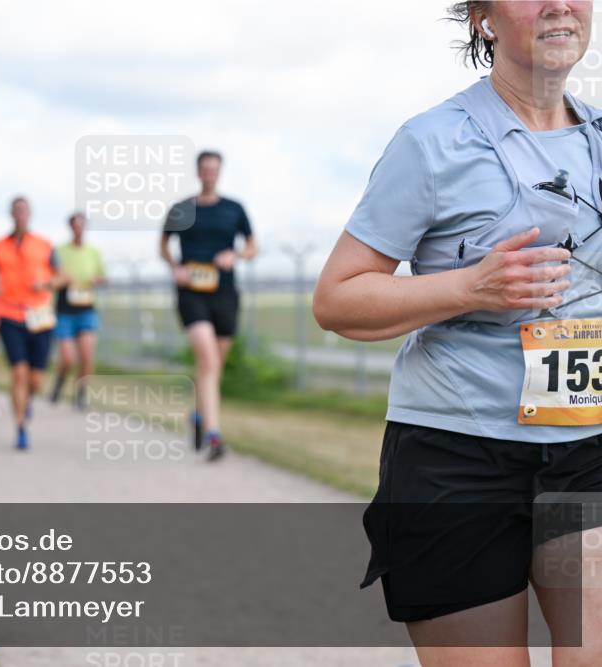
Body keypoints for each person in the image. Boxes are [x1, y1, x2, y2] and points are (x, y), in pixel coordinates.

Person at [313, 2, 602, 664]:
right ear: (483, 19)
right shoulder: (432, 142)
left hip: (587, 448)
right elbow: (336, 298)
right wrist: (471, 287)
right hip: (458, 457)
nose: (560, 4)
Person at [160, 151, 257, 461]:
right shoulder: (181, 208)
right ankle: (215, 436)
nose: (209, 174)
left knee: (214, 365)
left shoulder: (234, 209)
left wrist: (236, 255)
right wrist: (175, 266)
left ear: (219, 172)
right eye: (204, 169)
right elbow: (163, 244)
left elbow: (253, 246)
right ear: (198, 171)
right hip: (191, 292)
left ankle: (199, 415)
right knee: (208, 359)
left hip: (225, 292)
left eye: (214, 169)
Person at [0, 196, 67, 450]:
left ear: (30, 214)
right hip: (10, 314)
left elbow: (63, 277)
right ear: (11, 214)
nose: (20, 214)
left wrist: (46, 284)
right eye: (16, 210)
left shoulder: (44, 245)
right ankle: (20, 426)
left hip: (40, 316)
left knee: (36, 380)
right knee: (18, 373)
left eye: (24, 210)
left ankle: (27, 402)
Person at [50, 212, 106, 410]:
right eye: (75, 225)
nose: (79, 229)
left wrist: (96, 281)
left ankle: (81, 394)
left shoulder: (94, 252)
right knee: (67, 357)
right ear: (70, 227)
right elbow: (52, 277)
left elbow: (103, 277)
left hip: (86, 308)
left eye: (82, 225)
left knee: (87, 356)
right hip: (65, 309)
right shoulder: (59, 251)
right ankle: (59, 381)